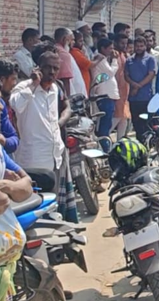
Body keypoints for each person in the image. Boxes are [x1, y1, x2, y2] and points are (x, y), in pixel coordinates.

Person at [10, 45, 77, 223]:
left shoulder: (55, 89)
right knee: (35, 207)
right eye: (48, 67)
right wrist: (33, 84)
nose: (52, 72)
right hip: (33, 160)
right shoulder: (24, 87)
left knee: (53, 203)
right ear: (38, 67)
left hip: (55, 155)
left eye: (56, 69)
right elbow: (16, 105)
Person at [90, 38, 119, 151]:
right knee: (104, 124)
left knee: (107, 123)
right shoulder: (100, 59)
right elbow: (111, 72)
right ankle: (104, 148)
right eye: (110, 48)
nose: (112, 51)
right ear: (103, 48)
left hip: (108, 95)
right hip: (104, 95)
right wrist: (115, 60)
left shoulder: (104, 59)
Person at [125, 36, 156, 137]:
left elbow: (151, 75)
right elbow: (126, 75)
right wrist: (133, 85)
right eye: (137, 46)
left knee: (146, 123)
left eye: (141, 46)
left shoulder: (150, 59)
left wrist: (137, 87)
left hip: (146, 97)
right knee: (136, 123)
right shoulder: (129, 60)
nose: (139, 48)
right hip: (133, 98)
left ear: (145, 46)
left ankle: (148, 144)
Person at [112, 34, 130, 139]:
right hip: (116, 91)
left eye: (125, 43)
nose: (124, 45)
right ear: (115, 43)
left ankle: (120, 143)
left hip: (124, 91)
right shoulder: (113, 55)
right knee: (117, 117)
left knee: (123, 119)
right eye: (122, 43)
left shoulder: (123, 55)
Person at [0, 60, 20, 154]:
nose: (15, 83)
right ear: (2, 80)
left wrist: (4, 141)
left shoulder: (3, 104)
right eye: (13, 79)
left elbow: (14, 138)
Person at [53, 28, 79, 97]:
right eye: (72, 39)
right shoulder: (63, 53)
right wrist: (67, 99)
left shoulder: (55, 49)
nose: (73, 42)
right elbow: (65, 80)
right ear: (64, 39)